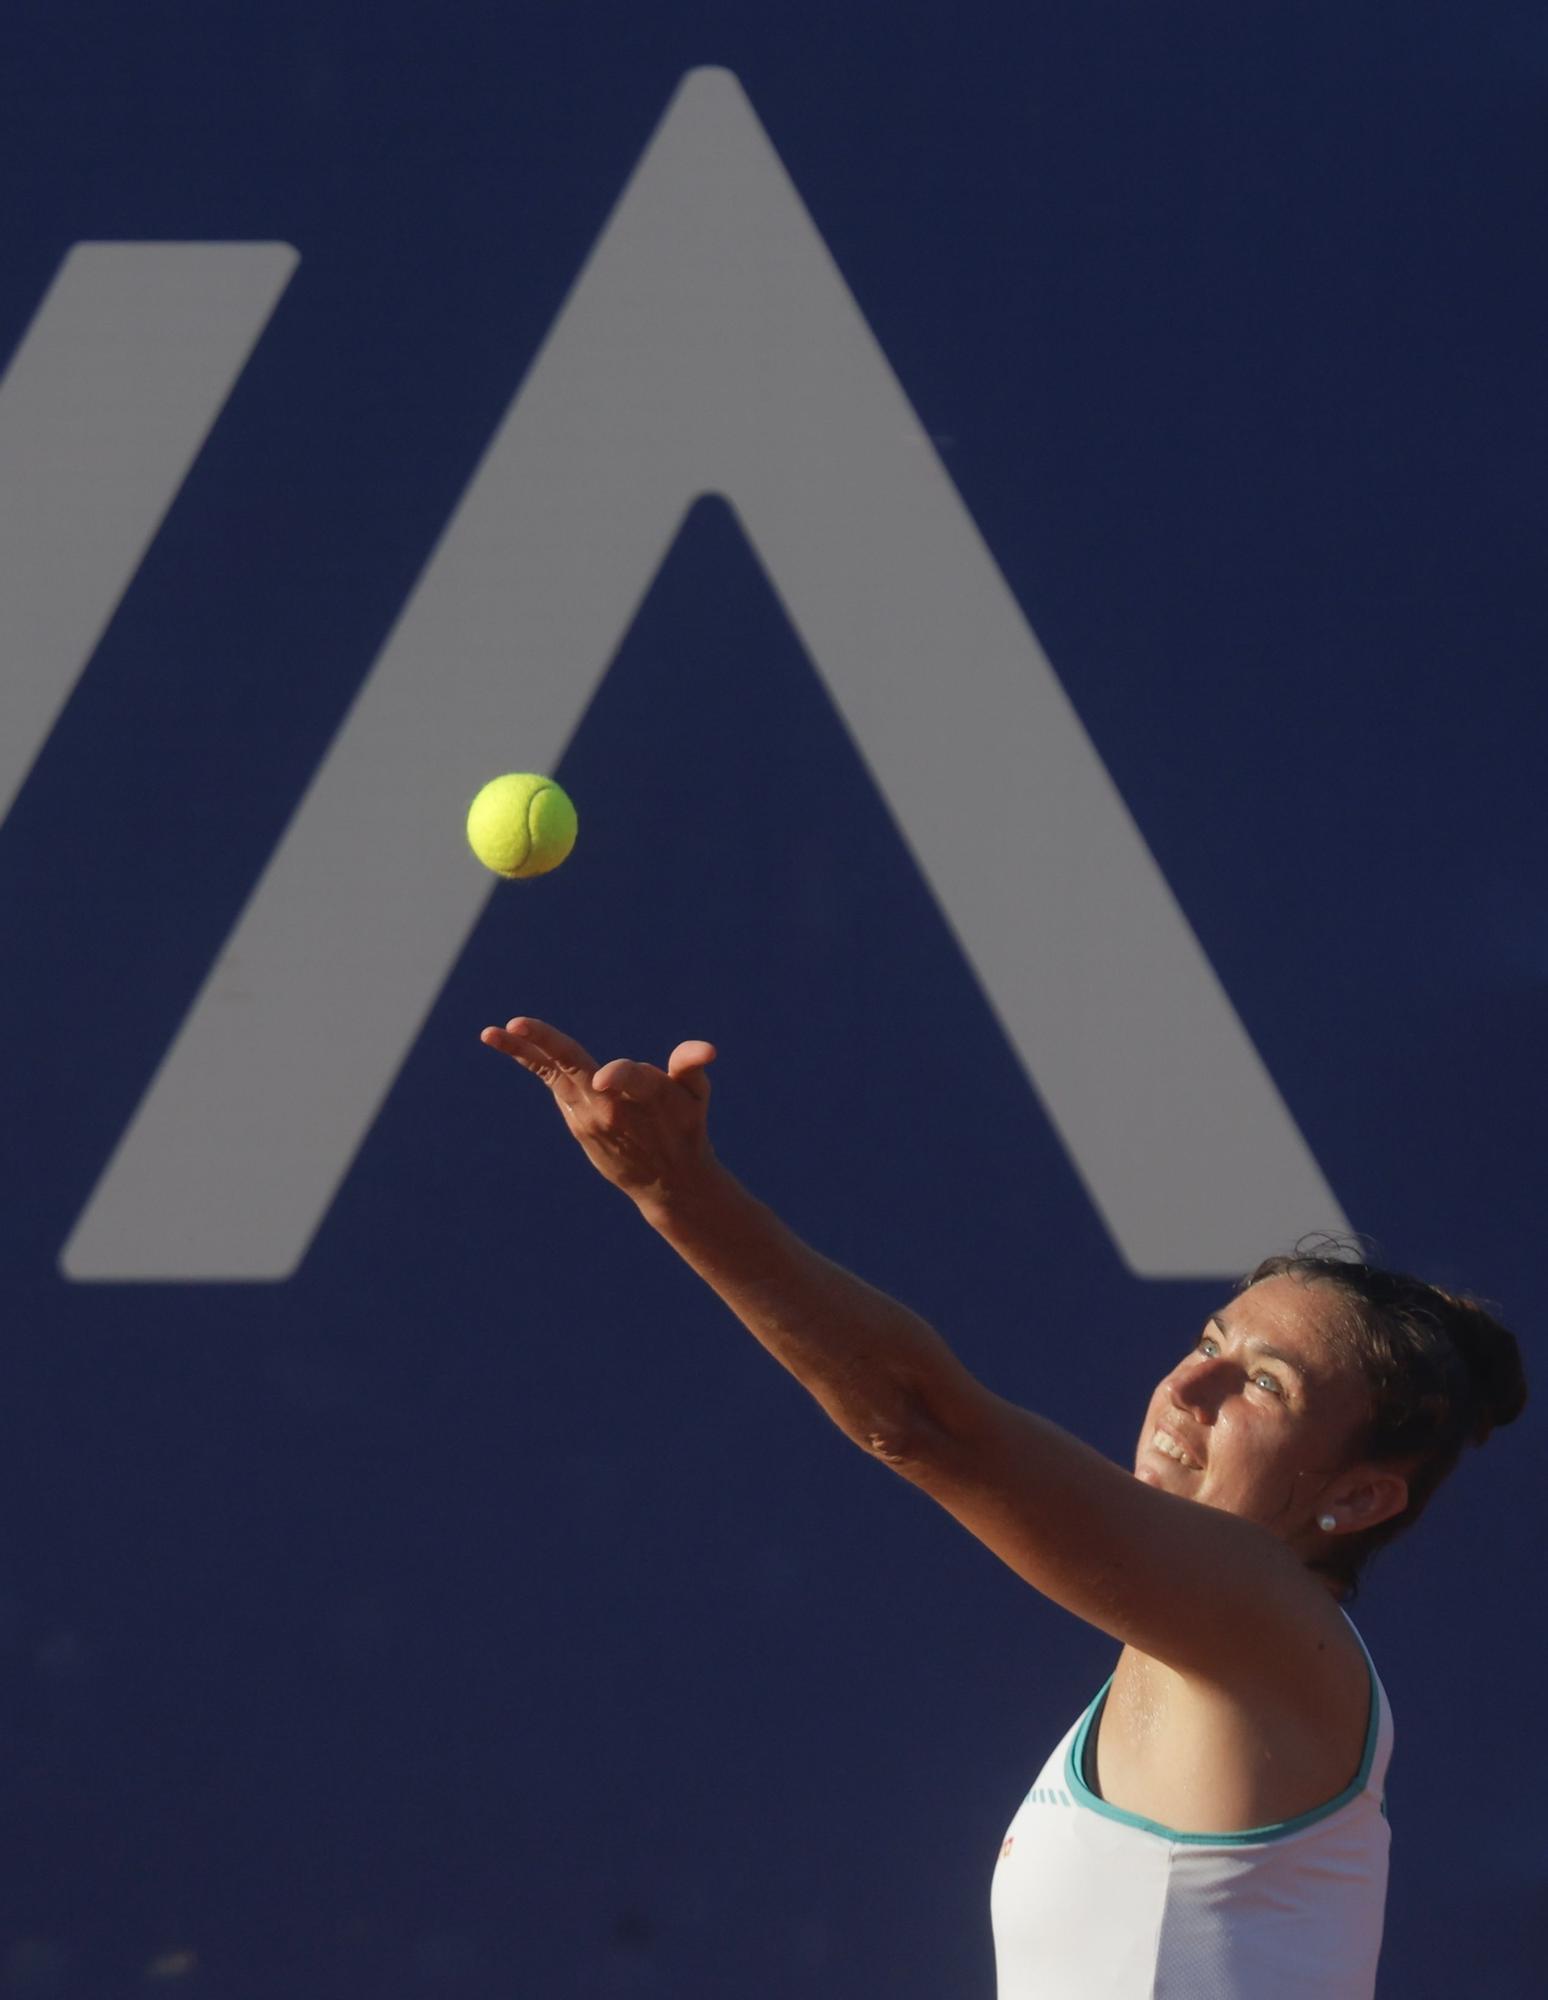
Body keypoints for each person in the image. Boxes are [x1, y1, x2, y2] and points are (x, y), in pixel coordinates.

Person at [479, 1015, 1527, 2000]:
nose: (1187, 1385)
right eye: (1210, 1341)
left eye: (1264, 1383)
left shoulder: (1271, 1627)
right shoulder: (1193, 1654)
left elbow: (921, 1422)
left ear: (1359, 1495)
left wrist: (680, 1193)